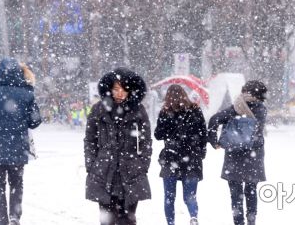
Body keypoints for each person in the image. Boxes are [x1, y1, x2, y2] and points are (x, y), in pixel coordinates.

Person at [0, 58, 42, 225]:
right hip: (18, 147)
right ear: (20, 73)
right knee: (17, 184)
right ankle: (14, 218)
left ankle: (2, 220)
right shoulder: (26, 93)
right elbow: (35, 121)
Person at [84, 68, 152, 225]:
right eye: (116, 89)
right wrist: (92, 165)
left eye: (124, 89)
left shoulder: (138, 111)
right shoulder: (98, 110)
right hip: (104, 171)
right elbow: (89, 141)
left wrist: (142, 165)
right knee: (106, 220)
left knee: (127, 220)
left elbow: (146, 141)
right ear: (109, 89)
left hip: (130, 171)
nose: (120, 93)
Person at [207, 80, 268, 225]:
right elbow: (257, 133)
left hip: (234, 156)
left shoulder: (236, 107)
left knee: (236, 193)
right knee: (251, 190)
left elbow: (214, 120)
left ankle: (238, 222)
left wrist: (214, 141)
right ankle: (251, 221)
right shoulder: (261, 109)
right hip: (253, 156)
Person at [154, 84, 207, 225]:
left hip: (171, 157)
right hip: (191, 158)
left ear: (167, 97)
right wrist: (201, 152)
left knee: (169, 197)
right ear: (185, 94)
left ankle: (171, 223)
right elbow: (203, 134)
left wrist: (169, 129)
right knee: (190, 195)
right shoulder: (195, 110)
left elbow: (158, 135)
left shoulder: (165, 112)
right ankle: (193, 216)